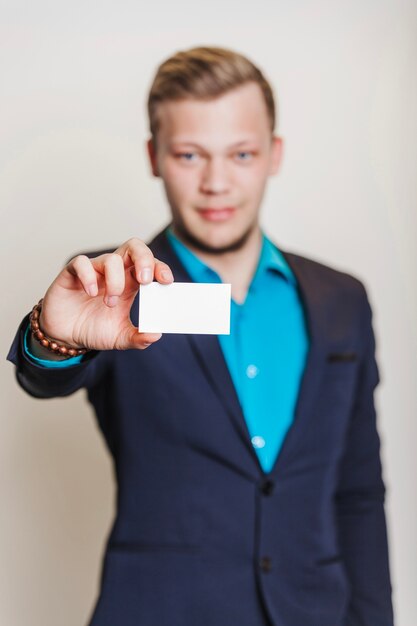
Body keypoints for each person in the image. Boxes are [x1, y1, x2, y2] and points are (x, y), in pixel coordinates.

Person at [7, 46, 394, 626]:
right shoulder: (110, 288)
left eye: (241, 154)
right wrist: (53, 337)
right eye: (190, 154)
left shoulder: (343, 299)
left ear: (273, 155)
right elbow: (45, 378)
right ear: (155, 156)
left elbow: (358, 492)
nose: (217, 182)